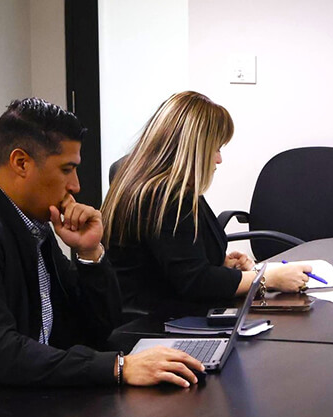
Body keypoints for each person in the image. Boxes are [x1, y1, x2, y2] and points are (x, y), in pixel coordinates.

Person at [0, 98, 204, 396]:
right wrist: (119, 368)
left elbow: (99, 327)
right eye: (66, 169)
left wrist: (89, 254)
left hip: (26, 393)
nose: (75, 185)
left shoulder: (32, 227)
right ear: (21, 163)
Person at [103, 91, 312, 317]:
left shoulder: (136, 174)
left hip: (146, 308)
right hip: (161, 323)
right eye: (216, 148)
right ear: (194, 148)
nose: (218, 159)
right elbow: (195, 282)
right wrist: (266, 278)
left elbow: (166, 258)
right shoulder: (167, 193)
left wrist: (218, 263)